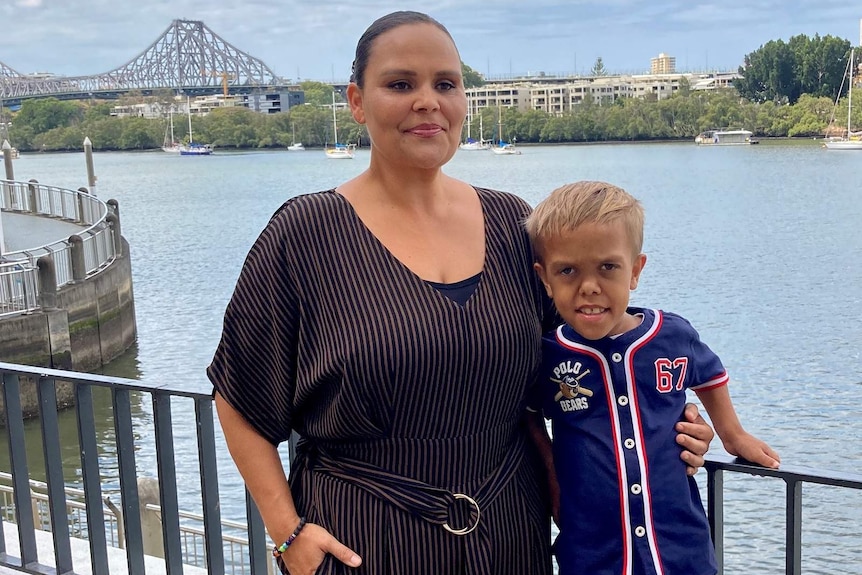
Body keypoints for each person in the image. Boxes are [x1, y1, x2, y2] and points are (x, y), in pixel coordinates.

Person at [207, 12, 715, 575]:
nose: (428, 101)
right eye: (401, 84)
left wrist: (667, 417)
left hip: (509, 532)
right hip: (365, 539)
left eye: (445, 84)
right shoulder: (305, 234)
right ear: (357, 101)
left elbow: (584, 357)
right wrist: (288, 535)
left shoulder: (512, 224)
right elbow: (239, 394)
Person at [524, 181, 780, 575]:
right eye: (568, 271)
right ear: (545, 279)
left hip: (679, 547)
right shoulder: (548, 354)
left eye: (607, 267)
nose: (589, 287)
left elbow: (709, 374)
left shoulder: (671, 336)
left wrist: (732, 434)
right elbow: (525, 413)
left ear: (635, 271)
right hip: (593, 554)